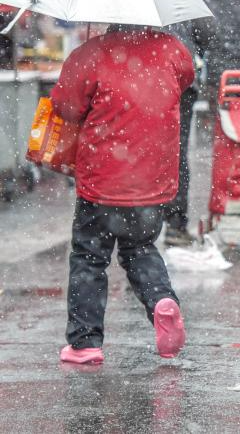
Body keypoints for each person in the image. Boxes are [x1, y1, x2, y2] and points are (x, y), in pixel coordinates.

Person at [51, 23, 193, 365]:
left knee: (89, 257)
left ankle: (85, 343)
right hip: (152, 180)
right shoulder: (172, 49)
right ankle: (161, 299)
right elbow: (184, 81)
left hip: (102, 180)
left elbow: (65, 106)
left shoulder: (91, 53)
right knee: (140, 248)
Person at [162, 0, 216, 247]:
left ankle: (137, 220)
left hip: (142, 82)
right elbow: (209, 33)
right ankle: (175, 223)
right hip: (180, 82)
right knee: (177, 151)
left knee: (141, 148)